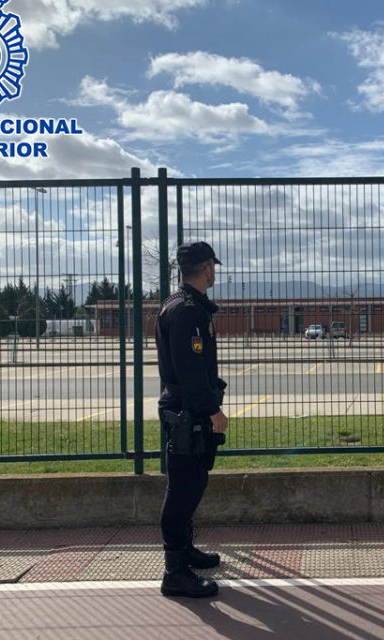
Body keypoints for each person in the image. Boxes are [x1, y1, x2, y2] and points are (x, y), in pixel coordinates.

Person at [155, 241, 229, 598]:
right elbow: (190, 371)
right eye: (213, 267)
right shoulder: (186, 311)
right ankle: (174, 572)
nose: (214, 273)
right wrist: (213, 410)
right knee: (182, 490)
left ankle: (184, 551)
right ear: (207, 268)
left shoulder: (184, 304)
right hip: (188, 411)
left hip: (188, 409)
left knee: (193, 484)